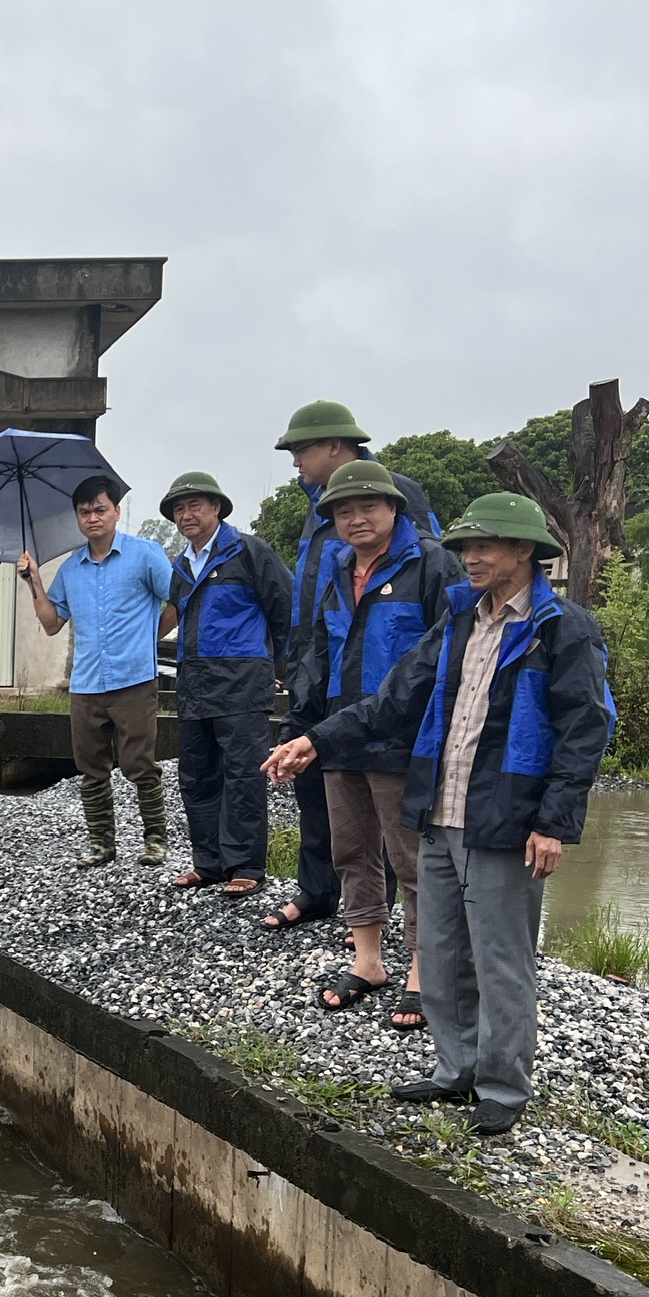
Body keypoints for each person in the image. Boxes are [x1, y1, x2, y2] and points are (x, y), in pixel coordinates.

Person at [262, 493, 612, 1135]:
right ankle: (456, 1069)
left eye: (484, 546)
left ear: (525, 551)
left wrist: (554, 822)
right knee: (441, 947)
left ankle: (504, 1086)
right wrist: (317, 740)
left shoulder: (562, 627)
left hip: (505, 819)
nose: (470, 558)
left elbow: (585, 727)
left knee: (501, 956)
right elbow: (395, 699)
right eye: (463, 548)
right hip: (439, 809)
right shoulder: (457, 621)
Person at [279, 459, 461, 1026]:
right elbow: (319, 652)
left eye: (368, 507)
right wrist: (302, 725)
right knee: (351, 850)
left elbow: (448, 654)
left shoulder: (432, 564)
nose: (355, 519)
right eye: (342, 510)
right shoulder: (334, 568)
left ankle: (423, 968)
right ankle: (368, 960)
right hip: (339, 736)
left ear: (394, 509)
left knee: (411, 857)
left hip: (403, 739)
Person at [263, 401, 446, 939]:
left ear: (335, 446)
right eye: (347, 512)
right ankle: (322, 895)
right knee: (323, 798)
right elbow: (315, 603)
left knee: (392, 821)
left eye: (301, 449)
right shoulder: (317, 513)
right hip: (324, 674)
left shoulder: (398, 495)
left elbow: (432, 611)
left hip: (390, 696)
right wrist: (298, 672)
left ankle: (394, 928)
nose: (295, 460)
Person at [19, 473, 169, 868]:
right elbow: (52, 623)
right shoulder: (71, 569)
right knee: (90, 767)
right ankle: (102, 844)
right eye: (84, 512)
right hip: (86, 683)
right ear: (77, 518)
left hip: (135, 678)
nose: (93, 518)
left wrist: (151, 637)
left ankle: (155, 841)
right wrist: (34, 580)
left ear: (117, 511)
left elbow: (177, 600)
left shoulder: (146, 555)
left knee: (140, 763)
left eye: (100, 509)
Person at [158, 470, 290, 898]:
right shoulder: (180, 567)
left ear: (216, 507)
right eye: (179, 508)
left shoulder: (249, 552)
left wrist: (282, 667)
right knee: (196, 776)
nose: (187, 514)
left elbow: (284, 611)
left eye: (196, 504)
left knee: (244, 775)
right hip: (194, 683)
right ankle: (208, 862)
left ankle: (247, 864)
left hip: (241, 683)